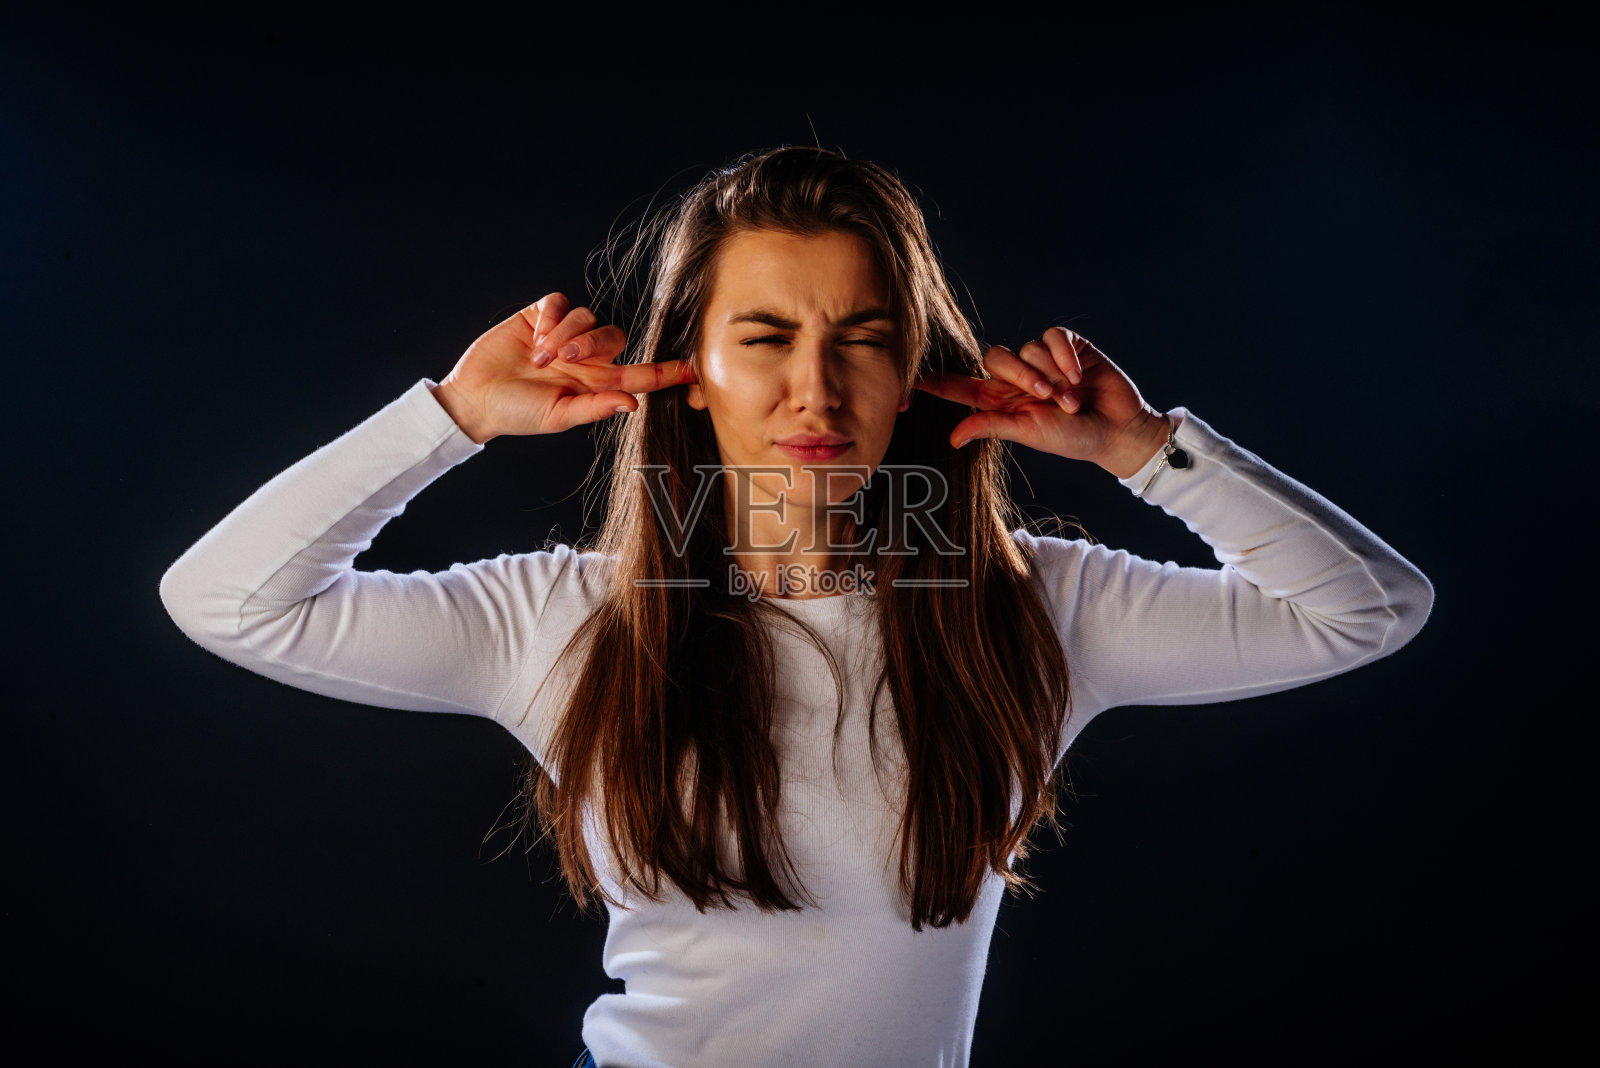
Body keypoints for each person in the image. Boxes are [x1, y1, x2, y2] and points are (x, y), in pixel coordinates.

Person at [159, 147, 1434, 1067]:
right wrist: (448, 417)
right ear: (694, 375)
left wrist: (1150, 452)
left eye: (861, 338)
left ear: (911, 374)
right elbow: (227, 601)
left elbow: (1368, 610)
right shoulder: (570, 618)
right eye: (763, 337)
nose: (814, 388)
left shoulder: (1033, 607)